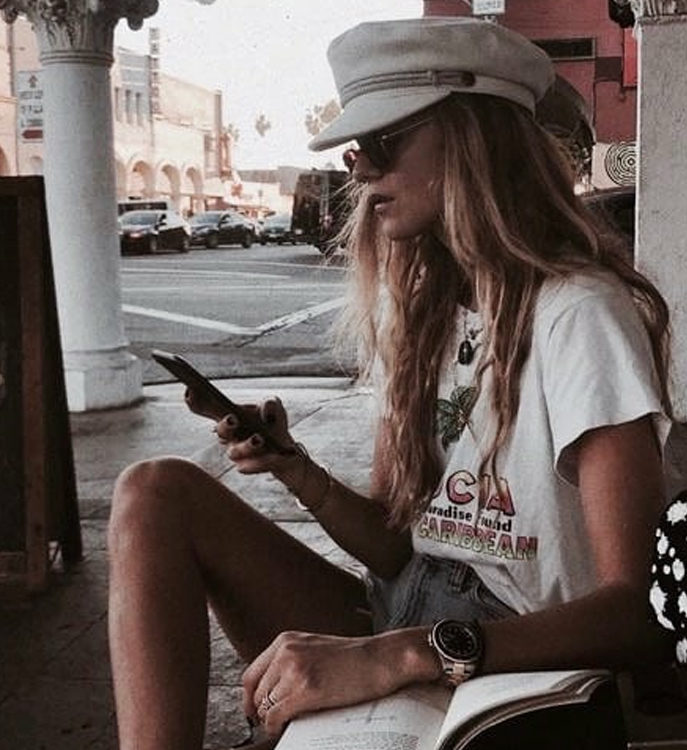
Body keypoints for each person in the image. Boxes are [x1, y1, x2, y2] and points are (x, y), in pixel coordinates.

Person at [107, 17, 676, 750]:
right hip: (406, 613)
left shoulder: (579, 314)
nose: (361, 172)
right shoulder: (424, 311)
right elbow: (399, 550)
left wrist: (404, 654)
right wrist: (298, 471)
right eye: (355, 152)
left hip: (522, 656)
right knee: (153, 492)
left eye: (383, 143)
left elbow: (638, 611)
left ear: (473, 141)